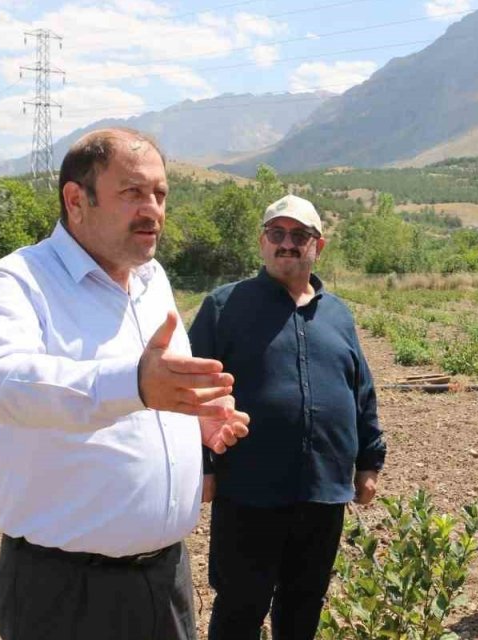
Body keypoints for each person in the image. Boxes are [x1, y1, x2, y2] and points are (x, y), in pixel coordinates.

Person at [0, 128, 250, 640]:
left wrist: (193, 415)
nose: (153, 210)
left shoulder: (151, 279)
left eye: (160, 194)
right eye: (132, 193)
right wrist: (138, 384)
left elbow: (151, 388)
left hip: (165, 579)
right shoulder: (17, 282)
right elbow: (8, 386)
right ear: (76, 200)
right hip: (65, 593)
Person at [189, 194, 387, 640]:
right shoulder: (223, 307)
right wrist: (202, 467)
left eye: (300, 235)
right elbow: (192, 395)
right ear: (262, 242)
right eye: (277, 234)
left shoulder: (337, 314)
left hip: (323, 491)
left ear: (319, 245)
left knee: (304, 604)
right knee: (241, 605)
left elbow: (362, 392)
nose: (287, 244)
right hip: (248, 490)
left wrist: (369, 464)